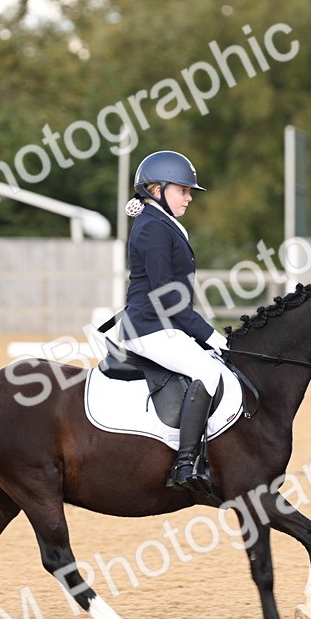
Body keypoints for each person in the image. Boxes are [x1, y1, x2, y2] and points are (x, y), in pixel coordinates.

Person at [120, 150, 228, 497]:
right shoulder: (153, 228)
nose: (189, 196)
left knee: (213, 365)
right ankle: (186, 463)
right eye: (182, 189)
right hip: (150, 328)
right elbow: (169, 298)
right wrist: (210, 335)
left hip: (164, 325)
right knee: (210, 372)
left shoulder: (161, 223)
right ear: (156, 189)